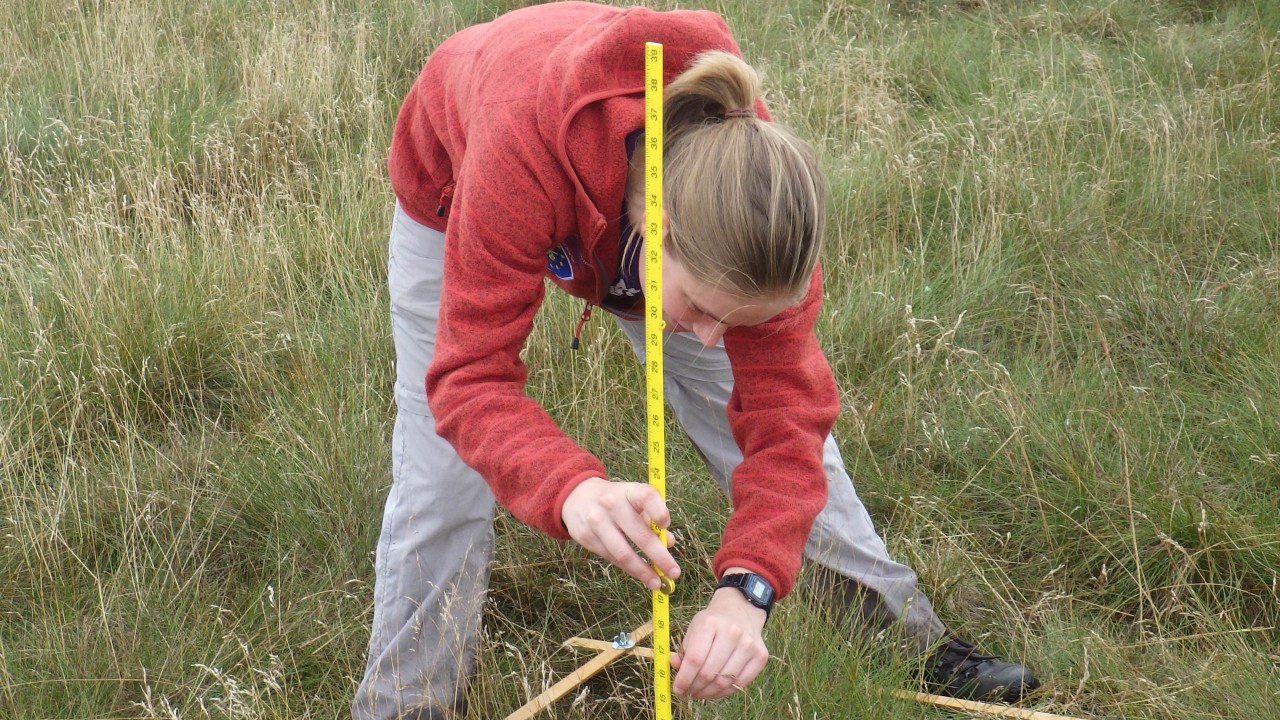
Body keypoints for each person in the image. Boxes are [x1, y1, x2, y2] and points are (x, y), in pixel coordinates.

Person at [352, 3, 1040, 718]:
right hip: (465, 171)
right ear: (659, 230)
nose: (710, 339)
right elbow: (469, 380)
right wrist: (572, 491)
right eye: (704, 313)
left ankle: (908, 639)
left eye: (733, 320)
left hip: (634, 230)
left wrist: (749, 591)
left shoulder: (761, 215)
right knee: (440, 470)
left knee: (792, 446)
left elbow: (787, 426)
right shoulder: (518, 149)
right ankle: (405, 703)